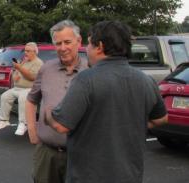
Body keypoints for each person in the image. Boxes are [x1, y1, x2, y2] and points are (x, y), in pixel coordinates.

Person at [44, 21, 168, 183]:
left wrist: (47, 114)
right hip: (130, 176)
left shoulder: (86, 79)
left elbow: (61, 125)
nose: (86, 49)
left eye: (88, 43)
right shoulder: (146, 80)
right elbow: (161, 119)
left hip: (89, 176)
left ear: (100, 46)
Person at [25, 20, 88, 183]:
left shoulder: (91, 70)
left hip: (82, 155)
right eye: (58, 43)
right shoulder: (46, 68)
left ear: (79, 41)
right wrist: (32, 131)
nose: (62, 48)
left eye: (67, 42)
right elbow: (31, 99)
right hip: (47, 154)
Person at [0, 42, 43, 136]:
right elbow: (16, 73)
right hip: (18, 88)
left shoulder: (38, 63)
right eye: (25, 51)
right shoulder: (24, 61)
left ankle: (24, 123)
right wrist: (15, 75)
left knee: (23, 98)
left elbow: (32, 77)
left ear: (35, 52)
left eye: (28, 51)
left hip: (30, 89)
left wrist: (19, 67)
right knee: (5, 96)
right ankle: (3, 120)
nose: (25, 53)